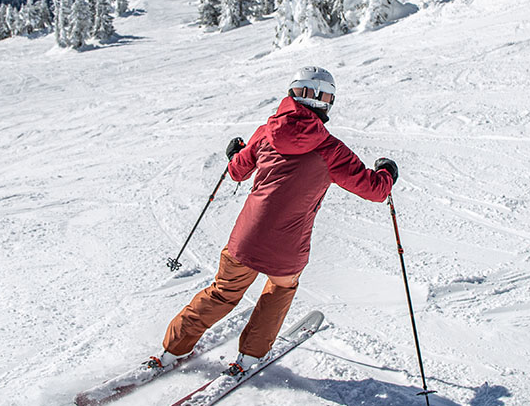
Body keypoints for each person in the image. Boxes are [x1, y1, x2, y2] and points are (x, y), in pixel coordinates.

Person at [152, 66, 399, 375]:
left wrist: (236, 154)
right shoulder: (331, 150)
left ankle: (171, 351)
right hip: (288, 247)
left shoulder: (265, 133)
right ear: (327, 101)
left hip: (246, 239)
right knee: (280, 290)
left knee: (223, 292)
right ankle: (250, 358)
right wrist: (388, 171)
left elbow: (237, 172)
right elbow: (376, 190)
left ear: (293, 92)